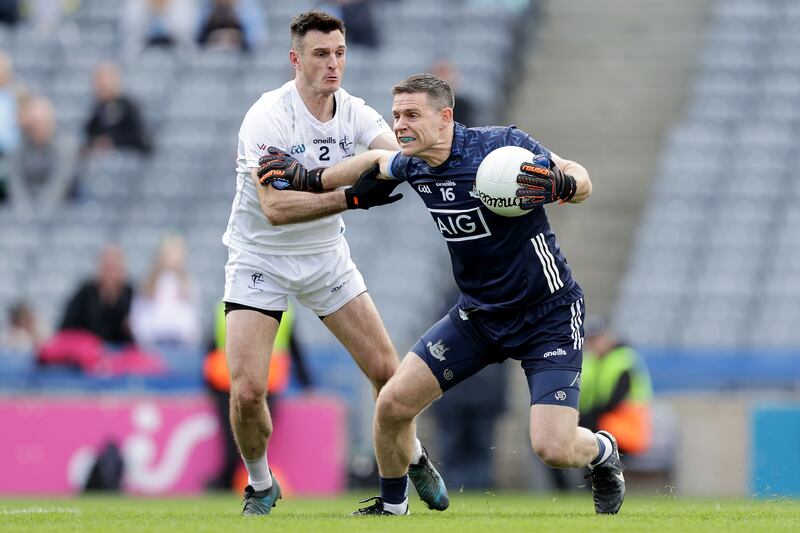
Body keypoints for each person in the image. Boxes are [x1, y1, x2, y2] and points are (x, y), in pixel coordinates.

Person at [260, 73, 625, 516]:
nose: (399, 126)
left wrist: (565, 186)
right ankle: (394, 508)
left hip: (546, 314)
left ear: (445, 117)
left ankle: (603, 452)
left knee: (553, 447)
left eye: (411, 115)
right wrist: (312, 178)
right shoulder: (413, 163)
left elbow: (578, 175)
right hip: (479, 316)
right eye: (396, 116)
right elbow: (374, 162)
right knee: (392, 404)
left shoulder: (501, 146)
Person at [221, 11, 447, 516]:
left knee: (389, 374)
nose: (333, 64)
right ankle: (260, 484)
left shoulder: (355, 114)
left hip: (325, 259)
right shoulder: (268, 117)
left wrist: (408, 159)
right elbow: (276, 209)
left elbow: (395, 157)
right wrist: (353, 198)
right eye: (321, 54)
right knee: (247, 392)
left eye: (339, 53)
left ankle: (413, 455)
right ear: (295, 58)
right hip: (261, 257)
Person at [579, 315, 653, 456]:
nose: (593, 344)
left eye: (597, 338)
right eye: (591, 340)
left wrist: (583, 418)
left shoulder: (625, 360)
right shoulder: (592, 361)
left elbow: (612, 403)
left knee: (586, 439)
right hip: (603, 426)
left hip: (625, 430)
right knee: (557, 436)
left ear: (609, 336)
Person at [5, 96, 79, 212]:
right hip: (24, 211)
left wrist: (41, 209)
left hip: (58, 211)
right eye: (34, 124)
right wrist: (24, 207)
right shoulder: (18, 146)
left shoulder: (65, 146)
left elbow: (59, 182)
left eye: (42, 123)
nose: (38, 128)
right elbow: (15, 181)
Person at [129, 235, 202, 349]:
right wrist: (145, 341)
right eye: (169, 254)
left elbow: (193, 315)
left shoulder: (189, 283)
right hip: (153, 343)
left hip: (180, 343)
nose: (172, 258)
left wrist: (188, 339)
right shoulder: (148, 283)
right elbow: (139, 313)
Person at [84, 62, 152, 155]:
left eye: (104, 82)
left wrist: (112, 141)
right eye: (98, 83)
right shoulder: (97, 110)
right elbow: (90, 135)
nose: (100, 87)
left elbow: (140, 138)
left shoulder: (129, 107)